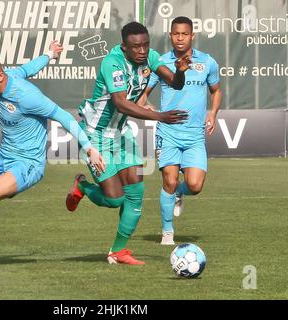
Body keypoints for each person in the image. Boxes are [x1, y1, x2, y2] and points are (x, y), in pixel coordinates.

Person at [0, 41, 106, 272]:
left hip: (28, 162)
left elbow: (64, 117)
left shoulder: (26, 96)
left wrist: (90, 148)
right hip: (4, 155)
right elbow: (29, 68)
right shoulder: (9, 75)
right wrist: (49, 54)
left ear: (1, 76)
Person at [65, 22, 191, 265]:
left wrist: (181, 71)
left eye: (145, 45)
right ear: (124, 46)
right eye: (136, 47)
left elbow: (175, 82)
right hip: (94, 136)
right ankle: (83, 187)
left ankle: (118, 252)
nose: (142, 51)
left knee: (136, 193)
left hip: (121, 134)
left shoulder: (150, 58)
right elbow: (121, 103)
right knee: (114, 199)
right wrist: (159, 116)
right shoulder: (112, 63)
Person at [138, 16, 222, 245]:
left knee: (195, 185)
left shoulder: (207, 62)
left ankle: (179, 193)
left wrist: (212, 113)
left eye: (185, 34)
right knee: (169, 180)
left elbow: (216, 91)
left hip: (195, 134)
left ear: (192, 36)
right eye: (176, 33)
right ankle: (167, 233)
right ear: (170, 35)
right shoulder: (161, 62)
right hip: (168, 132)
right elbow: (144, 93)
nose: (180, 38)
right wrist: (144, 104)